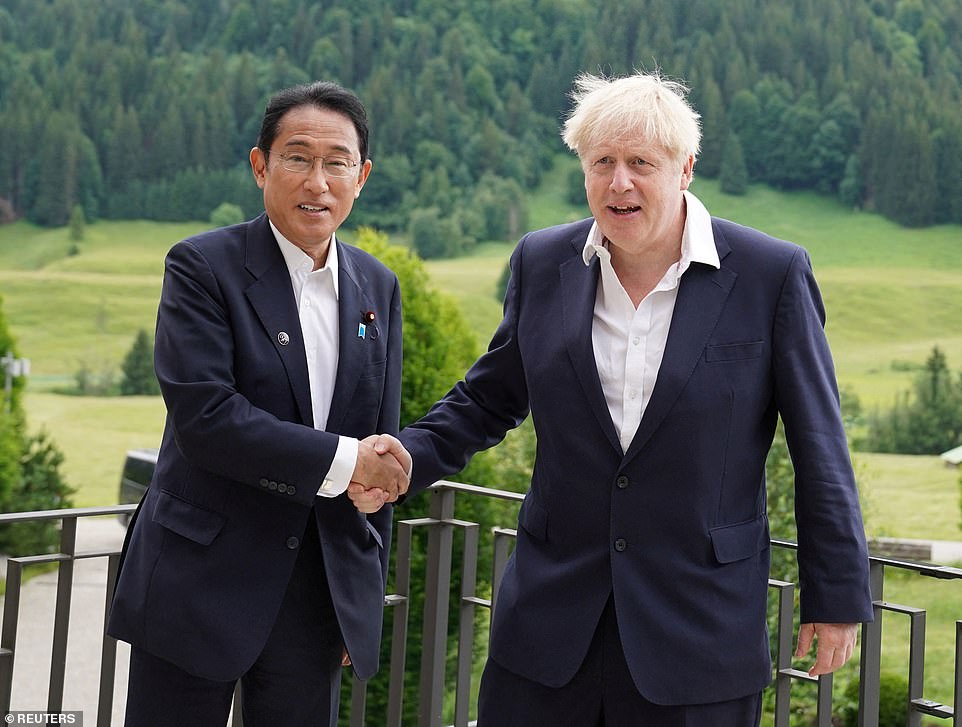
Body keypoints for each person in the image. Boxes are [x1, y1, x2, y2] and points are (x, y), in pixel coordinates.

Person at [354, 71, 873, 726]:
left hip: (698, 634)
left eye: (640, 164)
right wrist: (403, 459)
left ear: (684, 169)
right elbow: (489, 399)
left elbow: (819, 447)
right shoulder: (542, 262)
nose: (619, 182)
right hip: (546, 630)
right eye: (603, 163)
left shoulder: (771, 274)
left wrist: (835, 596)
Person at [108, 81, 408, 727]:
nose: (318, 181)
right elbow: (207, 419)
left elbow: (379, 451)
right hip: (197, 584)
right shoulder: (200, 266)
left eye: (338, 162)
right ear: (260, 165)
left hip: (314, 599)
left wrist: (362, 590)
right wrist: (346, 458)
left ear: (363, 176)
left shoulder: (378, 287)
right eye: (298, 157)